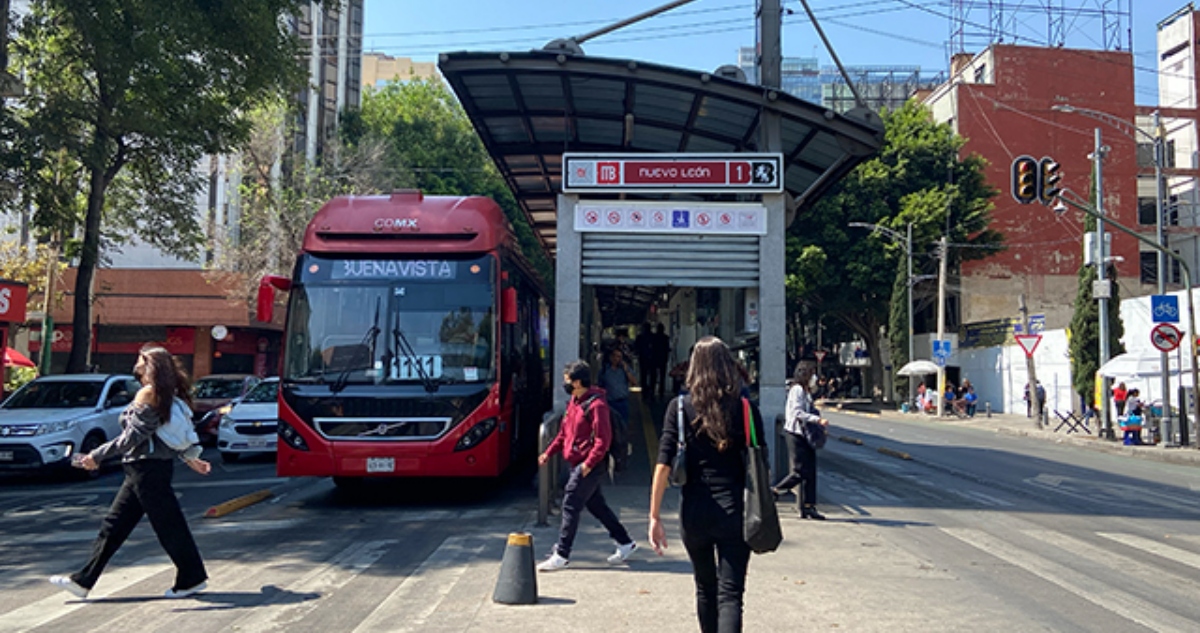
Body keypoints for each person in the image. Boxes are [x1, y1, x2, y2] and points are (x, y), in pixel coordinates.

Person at [50, 345, 211, 600]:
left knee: (168, 527)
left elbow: (131, 438)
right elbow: (167, 436)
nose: (136, 364)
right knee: (114, 527)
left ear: (149, 366)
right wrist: (191, 458)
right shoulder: (167, 393)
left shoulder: (148, 394)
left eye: (140, 360)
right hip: (147, 469)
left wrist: (96, 456)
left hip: (146, 469)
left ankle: (191, 578)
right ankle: (83, 581)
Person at [649, 336, 766, 632]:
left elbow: (663, 465)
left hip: (694, 513)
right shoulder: (746, 409)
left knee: (705, 588)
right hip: (736, 511)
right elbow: (760, 461)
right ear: (728, 366)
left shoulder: (679, 408)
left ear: (693, 368)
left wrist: (654, 516)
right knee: (731, 595)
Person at [537, 360, 636, 571]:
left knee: (570, 503)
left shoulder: (597, 405)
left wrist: (588, 464)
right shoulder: (574, 402)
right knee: (596, 505)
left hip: (589, 464)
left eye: (568, 381)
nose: (565, 385)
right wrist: (548, 452)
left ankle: (562, 553)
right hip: (577, 462)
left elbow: (603, 440)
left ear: (579, 382)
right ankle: (625, 542)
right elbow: (564, 433)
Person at [772, 363, 828, 520]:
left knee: (810, 472)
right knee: (800, 471)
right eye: (812, 374)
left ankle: (809, 506)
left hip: (805, 434)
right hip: (795, 434)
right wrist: (817, 420)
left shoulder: (805, 392)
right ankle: (776, 490)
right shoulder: (796, 390)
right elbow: (797, 412)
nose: (814, 378)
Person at [597, 346, 637, 471]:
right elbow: (599, 385)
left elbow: (635, 382)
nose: (617, 359)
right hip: (609, 404)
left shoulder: (624, 370)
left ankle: (621, 457)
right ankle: (607, 457)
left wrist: (626, 370)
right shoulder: (604, 370)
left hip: (622, 403)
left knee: (622, 430)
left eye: (619, 357)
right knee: (609, 430)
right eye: (615, 356)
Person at [650, 323, 671, 398]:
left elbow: (651, 348)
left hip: (654, 359)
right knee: (662, 376)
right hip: (663, 359)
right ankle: (661, 391)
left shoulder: (653, 337)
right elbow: (667, 349)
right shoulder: (665, 338)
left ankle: (652, 391)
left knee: (653, 376)